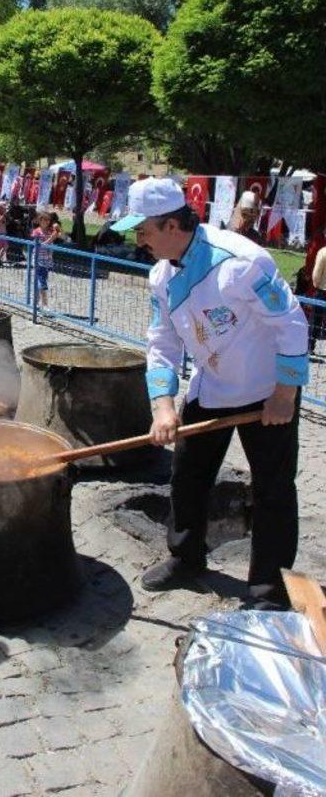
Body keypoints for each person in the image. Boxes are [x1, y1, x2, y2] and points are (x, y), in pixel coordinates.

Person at [112, 177, 309, 609]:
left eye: (142, 230)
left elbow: (292, 325)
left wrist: (285, 395)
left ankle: (269, 592)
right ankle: (186, 558)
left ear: (170, 226)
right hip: (211, 387)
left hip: (267, 392)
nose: (137, 239)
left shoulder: (242, 261)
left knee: (273, 491)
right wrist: (163, 407)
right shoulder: (161, 277)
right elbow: (161, 343)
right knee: (188, 477)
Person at [31, 211, 57, 309]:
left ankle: (36, 302)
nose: (47, 222)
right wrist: (51, 238)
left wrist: (56, 230)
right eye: (45, 220)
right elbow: (39, 246)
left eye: (48, 220)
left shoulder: (50, 231)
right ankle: (45, 304)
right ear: (40, 220)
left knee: (40, 280)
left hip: (47, 260)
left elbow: (62, 235)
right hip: (39, 259)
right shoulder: (37, 232)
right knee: (42, 282)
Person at [310, 231, 326, 355]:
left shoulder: (322, 252)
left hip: (323, 291)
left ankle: (311, 346)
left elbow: (316, 275)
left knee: (316, 321)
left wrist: (316, 284)